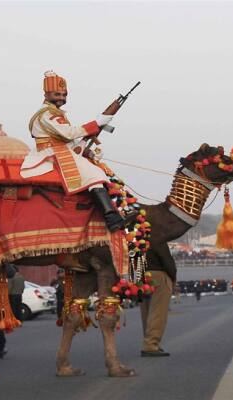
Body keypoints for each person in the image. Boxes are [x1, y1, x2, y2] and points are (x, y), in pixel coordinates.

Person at [20, 71, 126, 232]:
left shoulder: (54, 113)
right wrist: (97, 122)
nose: (62, 98)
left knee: (95, 167)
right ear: (46, 94)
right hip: (51, 154)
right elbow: (69, 133)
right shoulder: (46, 114)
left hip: (60, 150)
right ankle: (111, 217)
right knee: (94, 175)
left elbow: (67, 139)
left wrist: (86, 149)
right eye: (57, 94)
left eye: (64, 95)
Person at [140, 242, 176, 357]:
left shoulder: (134, 235)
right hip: (158, 275)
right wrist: (173, 278)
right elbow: (167, 261)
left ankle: (148, 341)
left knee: (146, 312)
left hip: (140, 275)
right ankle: (151, 344)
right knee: (158, 312)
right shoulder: (157, 236)